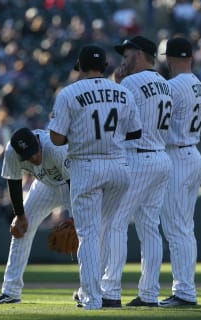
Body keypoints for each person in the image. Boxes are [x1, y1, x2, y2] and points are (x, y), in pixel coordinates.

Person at [49, 44, 142, 310]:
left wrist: (80, 133)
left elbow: (55, 139)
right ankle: (105, 288)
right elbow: (134, 133)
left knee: (88, 233)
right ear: (104, 68)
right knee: (107, 229)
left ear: (80, 68)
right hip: (117, 166)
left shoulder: (69, 93)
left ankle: (91, 297)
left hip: (86, 165)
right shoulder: (123, 92)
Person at [112, 35, 173, 307]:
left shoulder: (130, 82)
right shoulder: (165, 84)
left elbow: (116, 122)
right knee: (150, 228)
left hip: (138, 157)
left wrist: (117, 84)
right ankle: (149, 294)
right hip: (161, 157)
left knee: (116, 221)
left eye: (127, 55)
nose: (123, 60)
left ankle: (109, 290)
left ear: (139, 54)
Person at [0, 127, 71, 304]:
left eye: (34, 152)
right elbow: (14, 181)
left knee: (89, 231)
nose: (34, 158)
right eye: (28, 156)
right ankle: (10, 291)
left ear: (38, 141)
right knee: (21, 229)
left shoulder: (55, 146)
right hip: (44, 186)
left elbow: (74, 182)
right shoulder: (11, 151)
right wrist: (20, 215)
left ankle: (89, 291)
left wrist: (77, 217)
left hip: (71, 184)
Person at [158, 37, 201, 307]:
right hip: (192, 153)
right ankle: (186, 288)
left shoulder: (171, 86)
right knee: (185, 228)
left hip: (176, 154)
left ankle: (184, 291)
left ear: (169, 57)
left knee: (176, 229)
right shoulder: (196, 82)